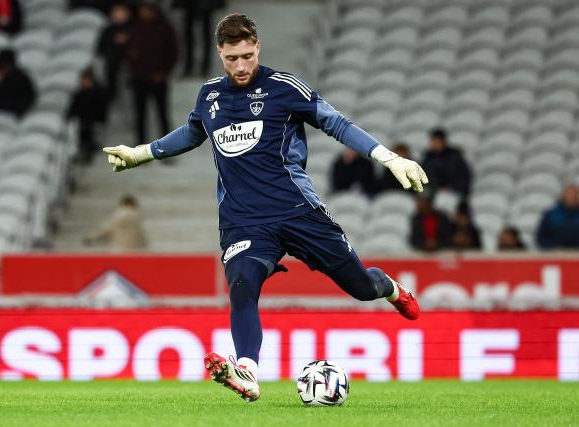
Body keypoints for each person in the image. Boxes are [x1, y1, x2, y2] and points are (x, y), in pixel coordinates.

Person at [102, 14, 428, 402]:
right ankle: (248, 373)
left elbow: (336, 123)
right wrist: (140, 154)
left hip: (297, 210)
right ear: (220, 54)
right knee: (242, 288)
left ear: (257, 46)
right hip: (243, 221)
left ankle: (388, 288)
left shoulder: (284, 88)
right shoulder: (209, 96)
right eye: (231, 59)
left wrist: (389, 158)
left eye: (246, 56)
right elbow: (192, 133)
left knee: (361, 288)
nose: (240, 66)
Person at [127, 2, 178, 145]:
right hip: (139, 78)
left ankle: (167, 146)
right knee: (140, 115)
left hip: (158, 79)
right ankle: (141, 146)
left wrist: (163, 72)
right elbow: (129, 51)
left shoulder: (165, 29)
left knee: (162, 114)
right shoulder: (135, 28)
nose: (143, 14)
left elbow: (173, 53)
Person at [66, 68, 108, 164]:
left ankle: (88, 154)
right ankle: (84, 154)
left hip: (93, 122)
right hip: (83, 122)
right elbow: (74, 108)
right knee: (83, 137)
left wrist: (99, 120)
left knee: (89, 137)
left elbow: (101, 109)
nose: (82, 82)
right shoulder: (80, 93)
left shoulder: (98, 93)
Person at [174, 0, 226, 77]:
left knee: (198, 35)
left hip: (201, 4)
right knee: (192, 35)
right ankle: (195, 66)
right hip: (194, 4)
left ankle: (200, 66)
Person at [83, 194, 147, 251]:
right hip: (135, 250)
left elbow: (106, 227)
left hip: (118, 249)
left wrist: (91, 237)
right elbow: (141, 237)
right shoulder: (137, 216)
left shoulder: (119, 214)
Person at [96, 2, 131, 103]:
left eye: (122, 12)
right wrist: (113, 41)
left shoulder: (135, 29)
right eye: (117, 12)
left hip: (133, 70)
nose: (119, 15)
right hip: (112, 67)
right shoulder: (107, 30)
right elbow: (100, 49)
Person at [421, 128, 472, 196]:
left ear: (443, 141)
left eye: (436, 141)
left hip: (452, 193)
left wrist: (452, 187)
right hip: (432, 193)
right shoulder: (428, 158)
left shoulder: (454, 157)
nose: (434, 144)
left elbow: (464, 177)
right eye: (433, 141)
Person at [536, 184, 579, 249]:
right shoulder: (551, 215)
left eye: (574, 195)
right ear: (563, 196)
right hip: (556, 255)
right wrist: (553, 247)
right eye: (569, 194)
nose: (571, 197)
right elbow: (541, 237)